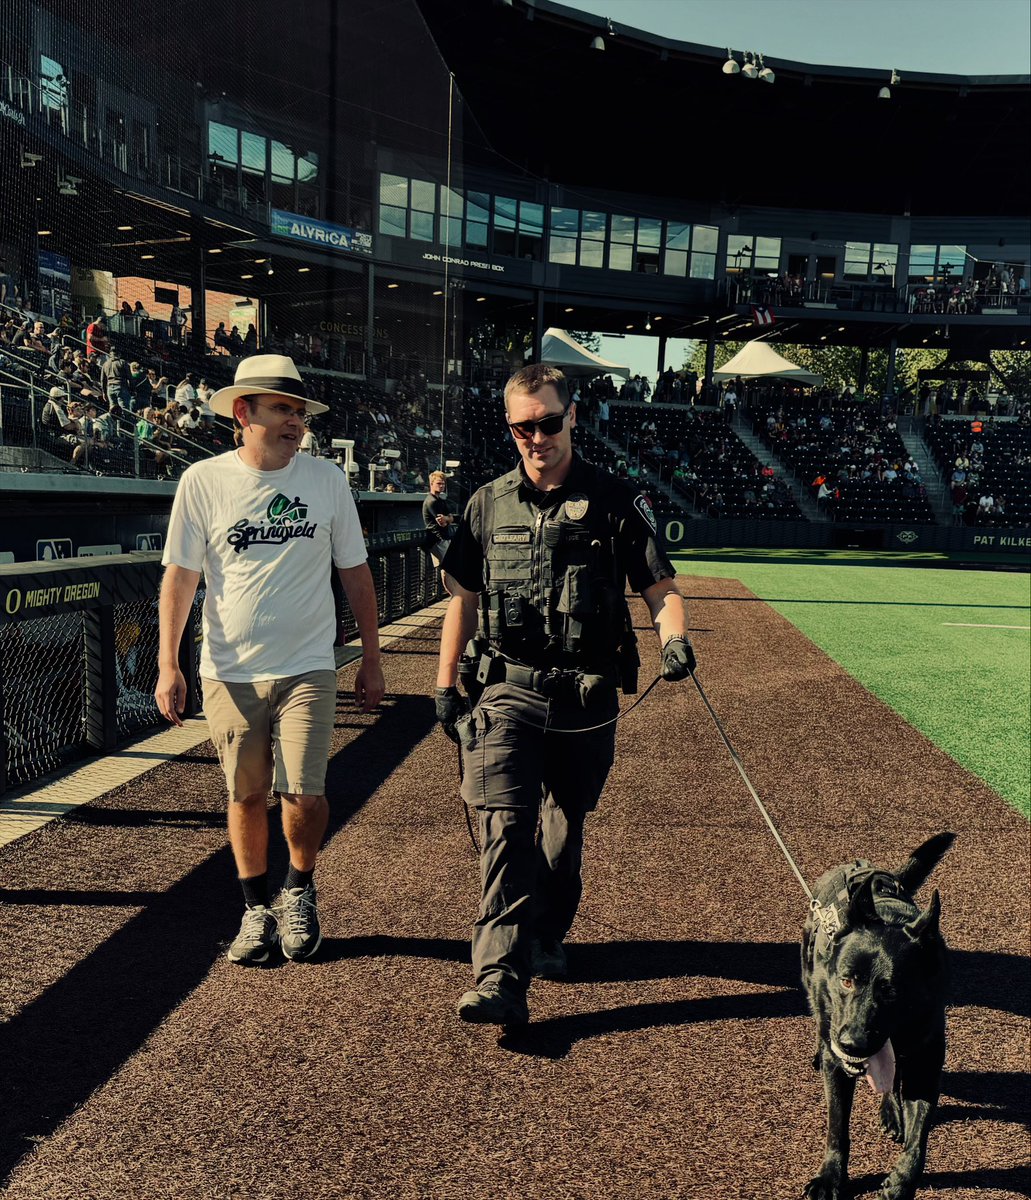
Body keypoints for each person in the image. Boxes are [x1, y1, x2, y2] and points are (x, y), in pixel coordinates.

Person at [434, 363, 693, 1026]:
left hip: (584, 698)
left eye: (547, 423)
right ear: (509, 428)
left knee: (561, 826)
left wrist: (673, 641)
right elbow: (462, 599)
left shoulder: (613, 498)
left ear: (572, 415)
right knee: (505, 827)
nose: (536, 438)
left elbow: (659, 588)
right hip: (505, 692)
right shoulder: (486, 503)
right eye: (522, 427)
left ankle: (547, 930)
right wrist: (443, 686)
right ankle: (499, 973)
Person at [155, 355, 385, 966]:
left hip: (310, 663)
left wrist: (371, 656)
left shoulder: (328, 480)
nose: (296, 422)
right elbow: (180, 577)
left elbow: (356, 573)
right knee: (246, 795)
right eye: (282, 410)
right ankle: (255, 909)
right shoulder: (202, 481)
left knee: (305, 795)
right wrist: (168, 665)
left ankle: (299, 889)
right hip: (227, 669)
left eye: (300, 411)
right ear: (243, 412)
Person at [422, 469, 454, 582]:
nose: (441, 486)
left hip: (444, 537)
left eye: (443, 483)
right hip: (437, 539)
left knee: (448, 568)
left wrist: (447, 519)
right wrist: (447, 519)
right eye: (439, 483)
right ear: (431, 484)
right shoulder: (431, 501)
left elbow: (450, 517)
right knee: (449, 568)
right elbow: (442, 522)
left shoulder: (440, 500)